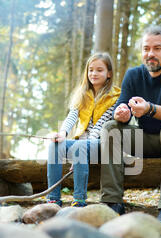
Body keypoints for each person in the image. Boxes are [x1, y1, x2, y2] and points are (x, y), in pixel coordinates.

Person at [99, 26, 161, 229]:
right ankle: (112, 203)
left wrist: (150, 109)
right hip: (144, 140)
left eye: (157, 48)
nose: (150, 54)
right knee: (110, 127)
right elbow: (121, 106)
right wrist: (121, 113)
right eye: (146, 48)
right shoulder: (133, 75)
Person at [47, 52, 121, 207]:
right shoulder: (82, 94)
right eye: (91, 69)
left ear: (109, 74)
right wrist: (62, 134)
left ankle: (79, 199)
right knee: (55, 145)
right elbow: (72, 117)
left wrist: (80, 150)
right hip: (82, 143)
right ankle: (53, 198)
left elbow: (101, 125)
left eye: (99, 70)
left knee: (80, 147)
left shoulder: (115, 97)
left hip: (102, 144)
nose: (93, 73)